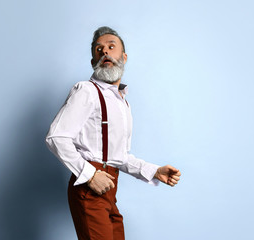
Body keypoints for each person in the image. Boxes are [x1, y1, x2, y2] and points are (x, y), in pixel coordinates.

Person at [45, 26, 181, 240]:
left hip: (110, 189)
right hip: (90, 188)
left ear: (124, 57)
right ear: (93, 62)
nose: (105, 52)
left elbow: (120, 157)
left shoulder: (122, 103)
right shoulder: (86, 91)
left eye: (111, 47)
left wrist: (154, 171)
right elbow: (56, 137)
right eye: (99, 50)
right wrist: (90, 175)